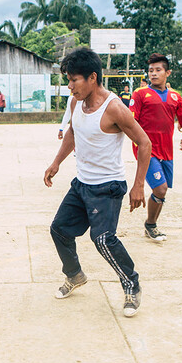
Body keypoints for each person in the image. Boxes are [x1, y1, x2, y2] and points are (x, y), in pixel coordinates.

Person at [45, 49, 152, 316]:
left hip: (108, 186)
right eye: (68, 80)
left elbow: (144, 142)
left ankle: (132, 285)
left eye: (74, 80)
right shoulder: (75, 103)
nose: (70, 86)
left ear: (93, 77)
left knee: (103, 239)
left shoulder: (114, 108)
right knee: (59, 229)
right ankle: (75, 275)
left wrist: (139, 185)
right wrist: (56, 162)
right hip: (82, 184)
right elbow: (72, 132)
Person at [130, 53, 182, 242]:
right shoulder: (140, 94)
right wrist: (138, 143)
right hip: (146, 150)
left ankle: (151, 225)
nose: (154, 74)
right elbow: (131, 121)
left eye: (158, 70)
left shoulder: (175, 97)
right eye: (151, 71)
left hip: (166, 151)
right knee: (161, 188)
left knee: (162, 191)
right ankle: (151, 225)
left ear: (168, 73)